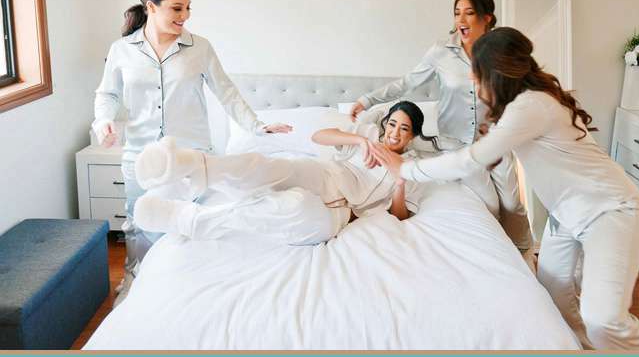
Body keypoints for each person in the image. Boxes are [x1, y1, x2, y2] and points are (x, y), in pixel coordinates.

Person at [370, 27, 639, 350]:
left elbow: (469, 160)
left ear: (495, 73)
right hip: (566, 216)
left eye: (477, 75)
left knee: (604, 319)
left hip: (609, 209)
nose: (473, 83)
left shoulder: (533, 105)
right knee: (555, 301)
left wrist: (406, 169)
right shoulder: (520, 105)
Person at [91, 0, 291, 302]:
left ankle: (185, 291)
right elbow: (107, 94)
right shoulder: (122, 49)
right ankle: (136, 285)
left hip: (190, 155)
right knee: (139, 225)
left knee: (187, 223)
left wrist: (257, 126)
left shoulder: (200, 48)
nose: (184, 17)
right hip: (140, 156)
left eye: (187, 9)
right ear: (150, 7)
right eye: (176, 9)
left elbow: (226, 92)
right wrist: (104, 121)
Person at [349, 0, 532, 253]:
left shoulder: (500, 54)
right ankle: (500, 254)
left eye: (469, 13)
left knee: (513, 205)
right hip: (458, 146)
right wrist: (367, 100)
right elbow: (408, 83)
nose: (461, 20)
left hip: (496, 140)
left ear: (488, 18)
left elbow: (516, 93)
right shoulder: (441, 52)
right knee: (490, 205)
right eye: (457, 13)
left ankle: (525, 256)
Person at [132, 102, 437, 244]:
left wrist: (400, 180)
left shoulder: (410, 167)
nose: (395, 133)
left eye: (404, 129)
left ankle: (184, 218)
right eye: (393, 124)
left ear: (412, 136)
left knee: (294, 208)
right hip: (325, 175)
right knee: (273, 167)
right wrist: (359, 140)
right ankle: (188, 165)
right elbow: (320, 136)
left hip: (339, 215)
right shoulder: (367, 135)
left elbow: (399, 216)